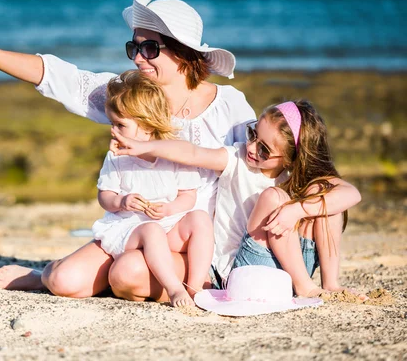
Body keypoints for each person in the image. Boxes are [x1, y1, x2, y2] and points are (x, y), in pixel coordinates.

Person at [0, 0, 256, 302]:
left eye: (150, 48)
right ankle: (42, 275)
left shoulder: (227, 105)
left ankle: (146, 278)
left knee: (128, 275)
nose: (138, 58)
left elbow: (256, 174)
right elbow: (58, 76)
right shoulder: (128, 95)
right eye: (133, 47)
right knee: (64, 282)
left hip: (193, 243)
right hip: (130, 228)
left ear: (182, 52)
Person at [111, 99, 363, 297]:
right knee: (273, 197)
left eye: (264, 149)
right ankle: (304, 288)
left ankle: (329, 284)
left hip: (294, 265)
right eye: (253, 134)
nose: (252, 147)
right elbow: (192, 152)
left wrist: (297, 210)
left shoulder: (298, 176)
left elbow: (351, 193)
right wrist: (146, 146)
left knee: (325, 197)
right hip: (242, 268)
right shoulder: (236, 159)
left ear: (291, 158)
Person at [94, 70, 212, 307]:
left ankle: (198, 286)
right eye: (112, 123)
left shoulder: (173, 153)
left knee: (199, 218)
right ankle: (175, 288)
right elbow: (104, 196)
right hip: (131, 228)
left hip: (167, 225)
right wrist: (121, 202)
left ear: (147, 127)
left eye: (120, 125)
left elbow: (188, 197)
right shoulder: (116, 157)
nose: (113, 131)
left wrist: (169, 209)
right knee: (151, 230)